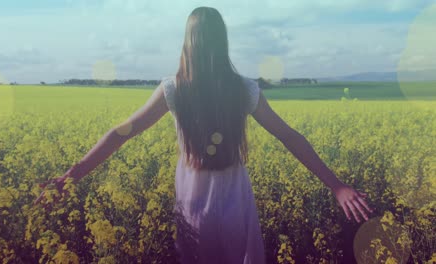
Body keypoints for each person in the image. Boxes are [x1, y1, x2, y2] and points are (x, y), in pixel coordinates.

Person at [35, 6, 374, 263]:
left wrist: (72, 175)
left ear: (188, 44)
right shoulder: (244, 89)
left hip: (193, 203)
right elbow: (290, 136)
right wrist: (337, 185)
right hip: (235, 202)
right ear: (222, 43)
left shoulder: (174, 89)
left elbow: (120, 133)